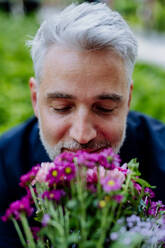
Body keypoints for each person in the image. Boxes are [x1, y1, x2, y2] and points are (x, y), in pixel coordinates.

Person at [0, 2, 165, 247]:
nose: (82, 135)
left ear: (128, 100)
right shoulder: (4, 167)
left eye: (104, 108)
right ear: (36, 99)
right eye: (62, 108)